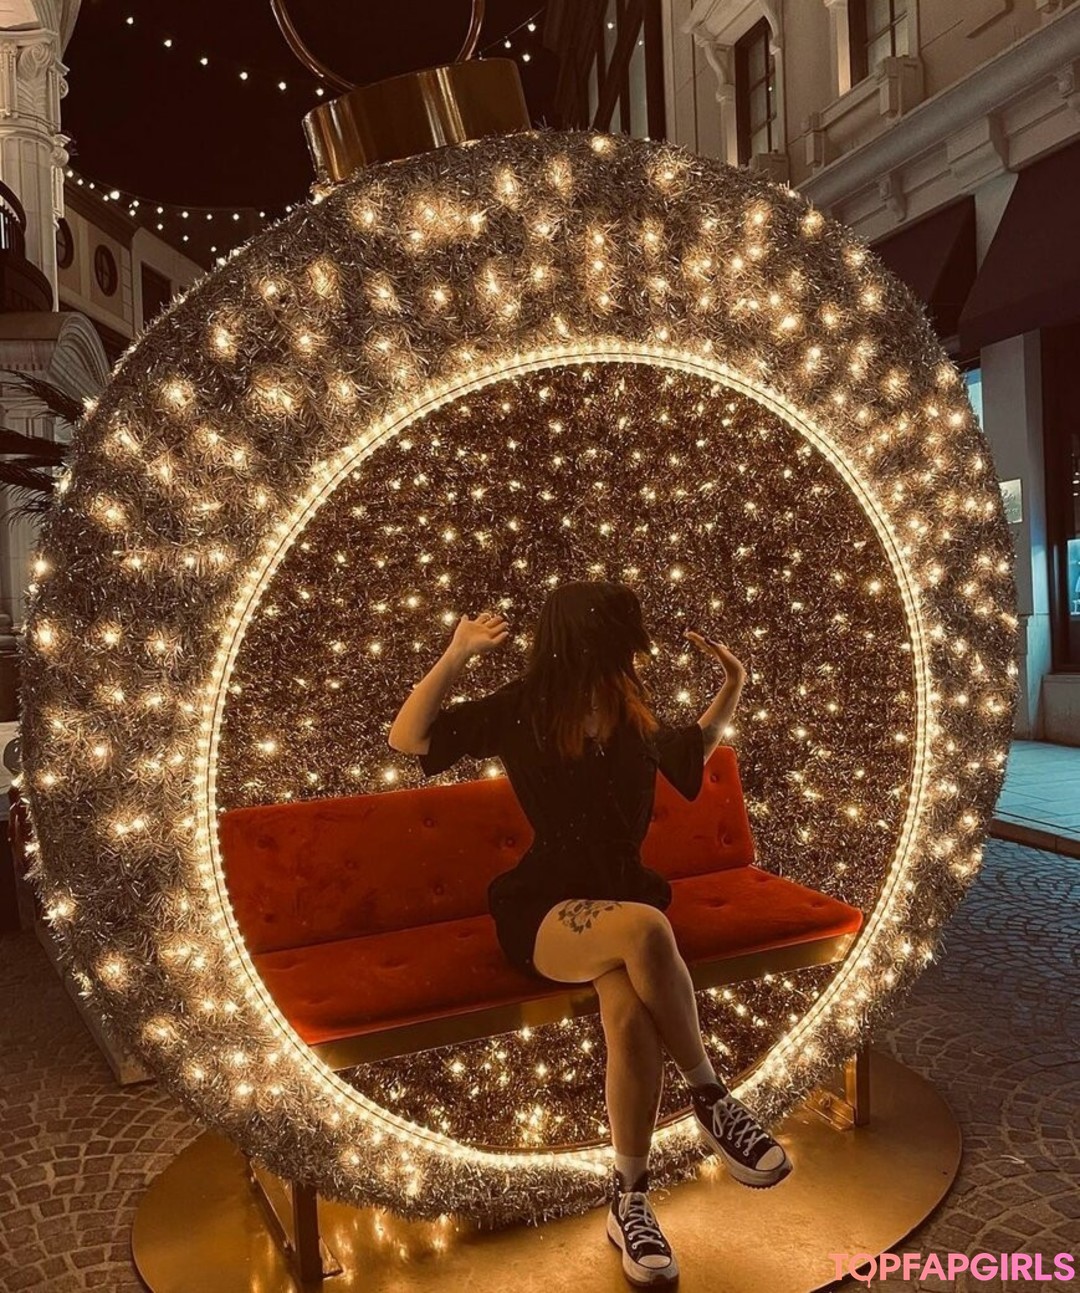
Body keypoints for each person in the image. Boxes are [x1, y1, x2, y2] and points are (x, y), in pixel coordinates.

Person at [388, 580, 791, 1287]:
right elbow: (408, 737)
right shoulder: (525, 707)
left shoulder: (628, 708)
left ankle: (628, 1202)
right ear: (585, 640)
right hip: (545, 910)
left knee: (631, 1020)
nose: (629, 652)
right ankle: (711, 1097)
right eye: (618, 638)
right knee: (648, 927)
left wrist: (733, 684)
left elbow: (688, 752)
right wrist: (457, 653)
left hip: (621, 904)